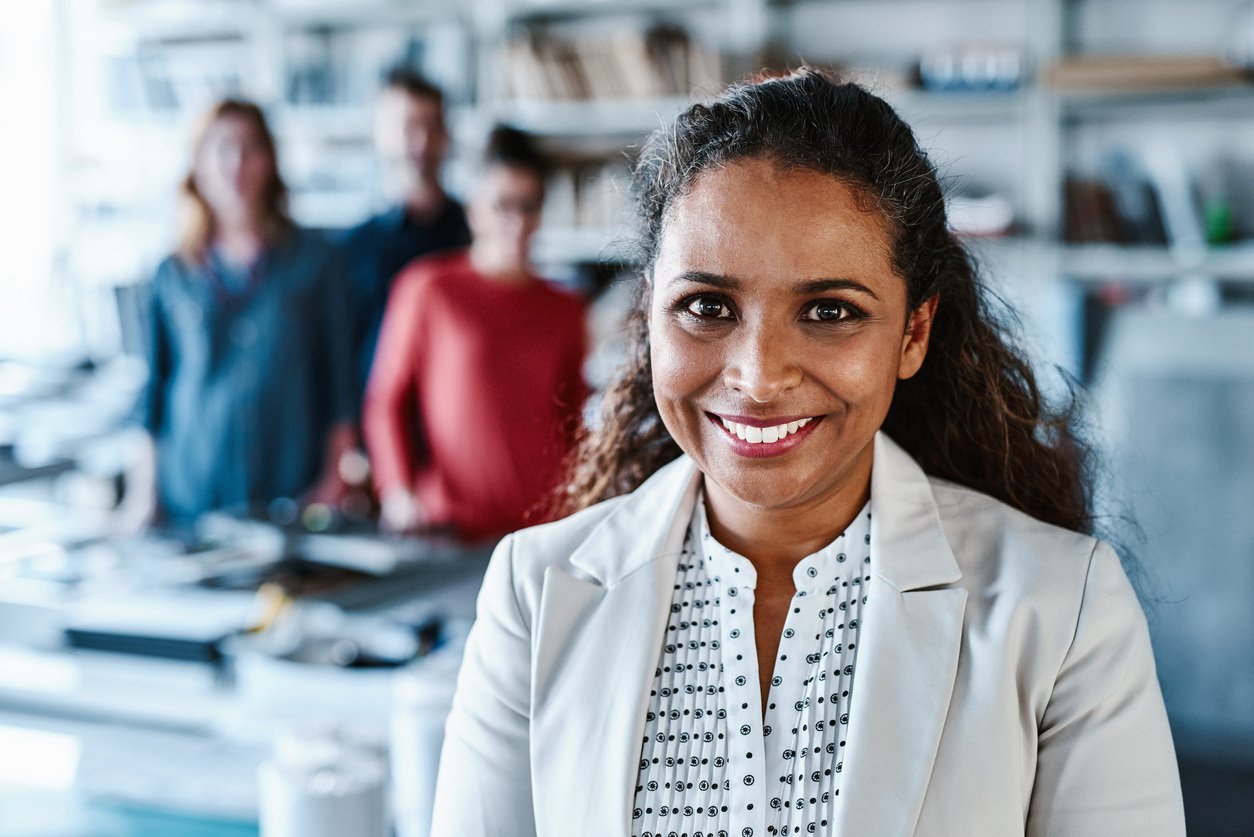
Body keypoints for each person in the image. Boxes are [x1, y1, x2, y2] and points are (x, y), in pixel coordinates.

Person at [430, 70, 1186, 836]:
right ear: (649, 313)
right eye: (706, 306)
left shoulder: (1065, 612)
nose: (759, 377)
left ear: (913, 333)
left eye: (830, 311)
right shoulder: (533, 594)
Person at [124, 99, 355, 527]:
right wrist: (143, 494)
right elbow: (151, 395)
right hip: (192, 497)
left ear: (271, 162)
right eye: (221, 149)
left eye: (250, 148)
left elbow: (339, 382)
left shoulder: (317, 261)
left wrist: (334, 478)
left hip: (289, 497)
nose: (236, 163)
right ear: (198, 165)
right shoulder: (172, 273)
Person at [362, 126, 588, 542]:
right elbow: (386, 399)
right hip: (451, 525)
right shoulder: (428, 289)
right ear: (474, 209)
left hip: (543, 526)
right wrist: (397, 489)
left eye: (529, 205)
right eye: (502, 205)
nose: (517, 222)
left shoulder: (564, 307)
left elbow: (574, 415)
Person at [340, 69, 471, 400]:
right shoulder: (352, 249)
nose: (422, 141)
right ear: (381, 135)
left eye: (432, 125)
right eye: (408, 127)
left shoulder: (478, 235)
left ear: (446, 134)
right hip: (377, 427)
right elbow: (340, 353)